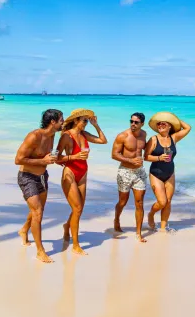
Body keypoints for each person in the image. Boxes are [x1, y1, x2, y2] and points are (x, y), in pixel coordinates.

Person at [56, 109, 108, 255]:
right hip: (70, 173)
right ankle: (76, 245)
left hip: (83, 173)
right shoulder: (67, 136)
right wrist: (75, 156)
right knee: (77, 209)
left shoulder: (84, 134)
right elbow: (57, 158)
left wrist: (96, 125)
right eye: (84, 120)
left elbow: (103, 141)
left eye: (87, 121)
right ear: (76, 120)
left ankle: (67, 226)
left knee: (78, 209)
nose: (86, 123)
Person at [15, 109, 64, 263]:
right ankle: (40, 251)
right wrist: (43, 161)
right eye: (61, 119)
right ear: (53, 122)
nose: (63, 122)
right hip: (27, 177)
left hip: (42, 177)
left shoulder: (53, 134)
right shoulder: (34, 136)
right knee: (38, 212)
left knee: (38, 210)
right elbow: (18, 159)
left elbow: (71, 124)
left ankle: (24, 230)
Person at [145, 112, 192, 233]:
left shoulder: (174, 138)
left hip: (170, 173)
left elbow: (188, 128)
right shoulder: (153, 139)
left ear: (170, 126)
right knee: (162, 201)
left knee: (168, 202)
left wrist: (174, 118)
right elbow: (146, 156)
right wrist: (159, 158)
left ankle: (162, 228)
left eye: (163, 123)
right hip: (156, 173)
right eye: (158, 124)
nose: (160, 125)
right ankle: (151, 214)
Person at [112, 112, 148, 242]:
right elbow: (114, 155)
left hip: (139, 173)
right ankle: (116, 219)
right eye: (131, 121)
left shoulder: (144, 135)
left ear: (142, 124)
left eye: (136, 122)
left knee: (139, 202)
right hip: (125, 172)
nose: (133, 124)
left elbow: (146, 152)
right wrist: (131, 161)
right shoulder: (123, 136)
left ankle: (138, 233)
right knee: (123, 201)